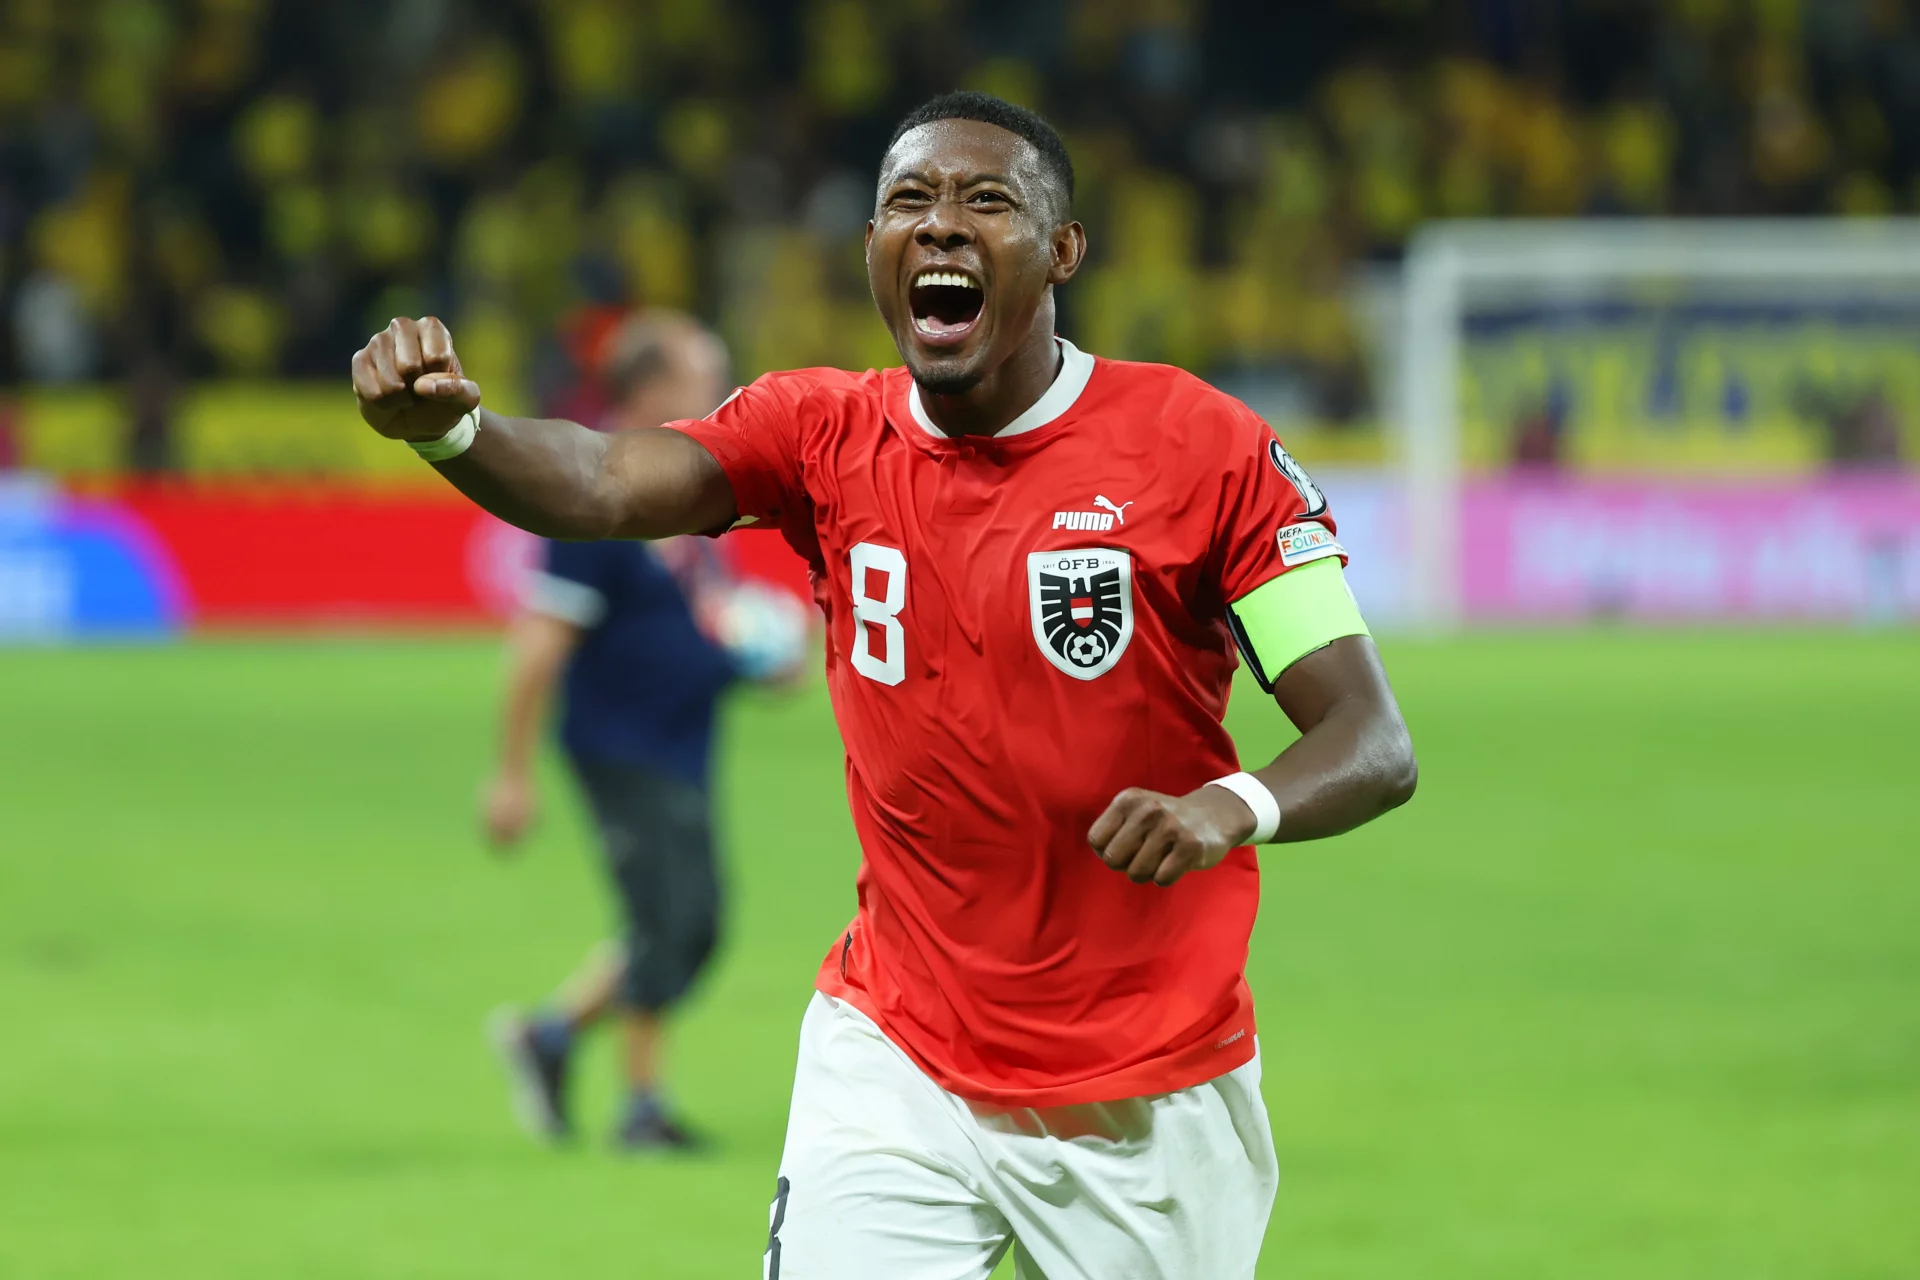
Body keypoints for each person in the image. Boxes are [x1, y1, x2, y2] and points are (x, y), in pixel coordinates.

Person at [352, 91, 1417, 1278]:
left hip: (1148, 1086)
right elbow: (606, 480)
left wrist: (1232, 804)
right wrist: (458, 432)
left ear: (1062, 250)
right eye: (908, 202)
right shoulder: (820, 433)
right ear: (872, 251)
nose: (941, 226)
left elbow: (1371, 737)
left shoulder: (1207, 449)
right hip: (896, 1049)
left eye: (985, 202)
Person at [481, 312, 803, 1151]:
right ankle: (640, 1107)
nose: (723, 393)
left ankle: (551, 1039)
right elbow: (539, 645)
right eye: (706, 375)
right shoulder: (594, 491)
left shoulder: (686, 489)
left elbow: (697, 629)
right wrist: (510, 775)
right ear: (652, 390)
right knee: (671, 921)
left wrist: (755, 667)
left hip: (680, 744)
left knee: (683, 923)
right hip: (621, 746)